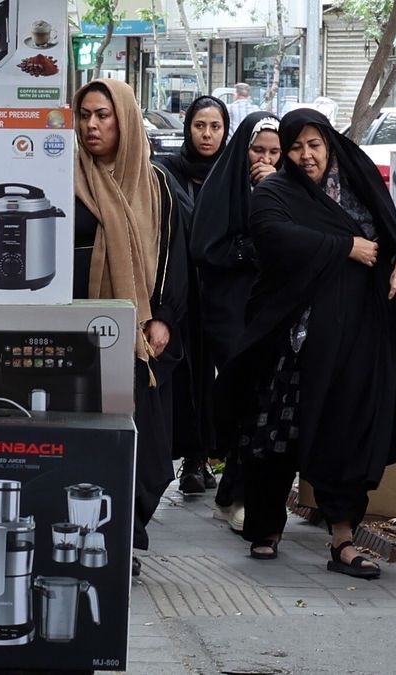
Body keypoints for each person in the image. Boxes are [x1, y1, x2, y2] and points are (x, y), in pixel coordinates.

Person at [215, 109, 396, 577]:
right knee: (276, 433)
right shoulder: (274, 193)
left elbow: (393, 231)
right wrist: (347, 247)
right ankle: (266, 527)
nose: (305, 156)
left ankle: (343, 540)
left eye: (314, 145)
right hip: (293, 340)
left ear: (329, 145)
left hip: (357, 336)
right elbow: (275, 236)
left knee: (347, 430)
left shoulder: (359, 183)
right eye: (296, 147)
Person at [74, 79, 187, 576]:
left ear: (124, 119)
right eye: (84, 115)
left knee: (145, 444)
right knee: (84, 439)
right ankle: (94, 537)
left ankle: (120, 532)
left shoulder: (155, 182)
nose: (92, 125)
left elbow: (173, 255)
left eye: (103, 115)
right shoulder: (65, 175)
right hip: (77, 334)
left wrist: (162, 316)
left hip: (134, 333)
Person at [190, 110, 282, 530]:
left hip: (271, 309)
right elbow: (208, 248)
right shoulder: (222, 187)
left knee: (264, 403)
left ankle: (233, 495)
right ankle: (239, 496)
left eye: (274, 152)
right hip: (229, 310)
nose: (265, 159)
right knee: (248, 401)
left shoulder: (284, 189)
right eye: (257, 150)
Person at [153, 95, 230, 495]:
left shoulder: (234, 175)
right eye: (200, 125)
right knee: (183, 378)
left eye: (215, 126)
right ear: (188, 128)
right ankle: (186, 460)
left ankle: (209, 455)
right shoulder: (166, 172)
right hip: (181, 290)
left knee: (218, 378)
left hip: (223, 294)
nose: (207, 134)